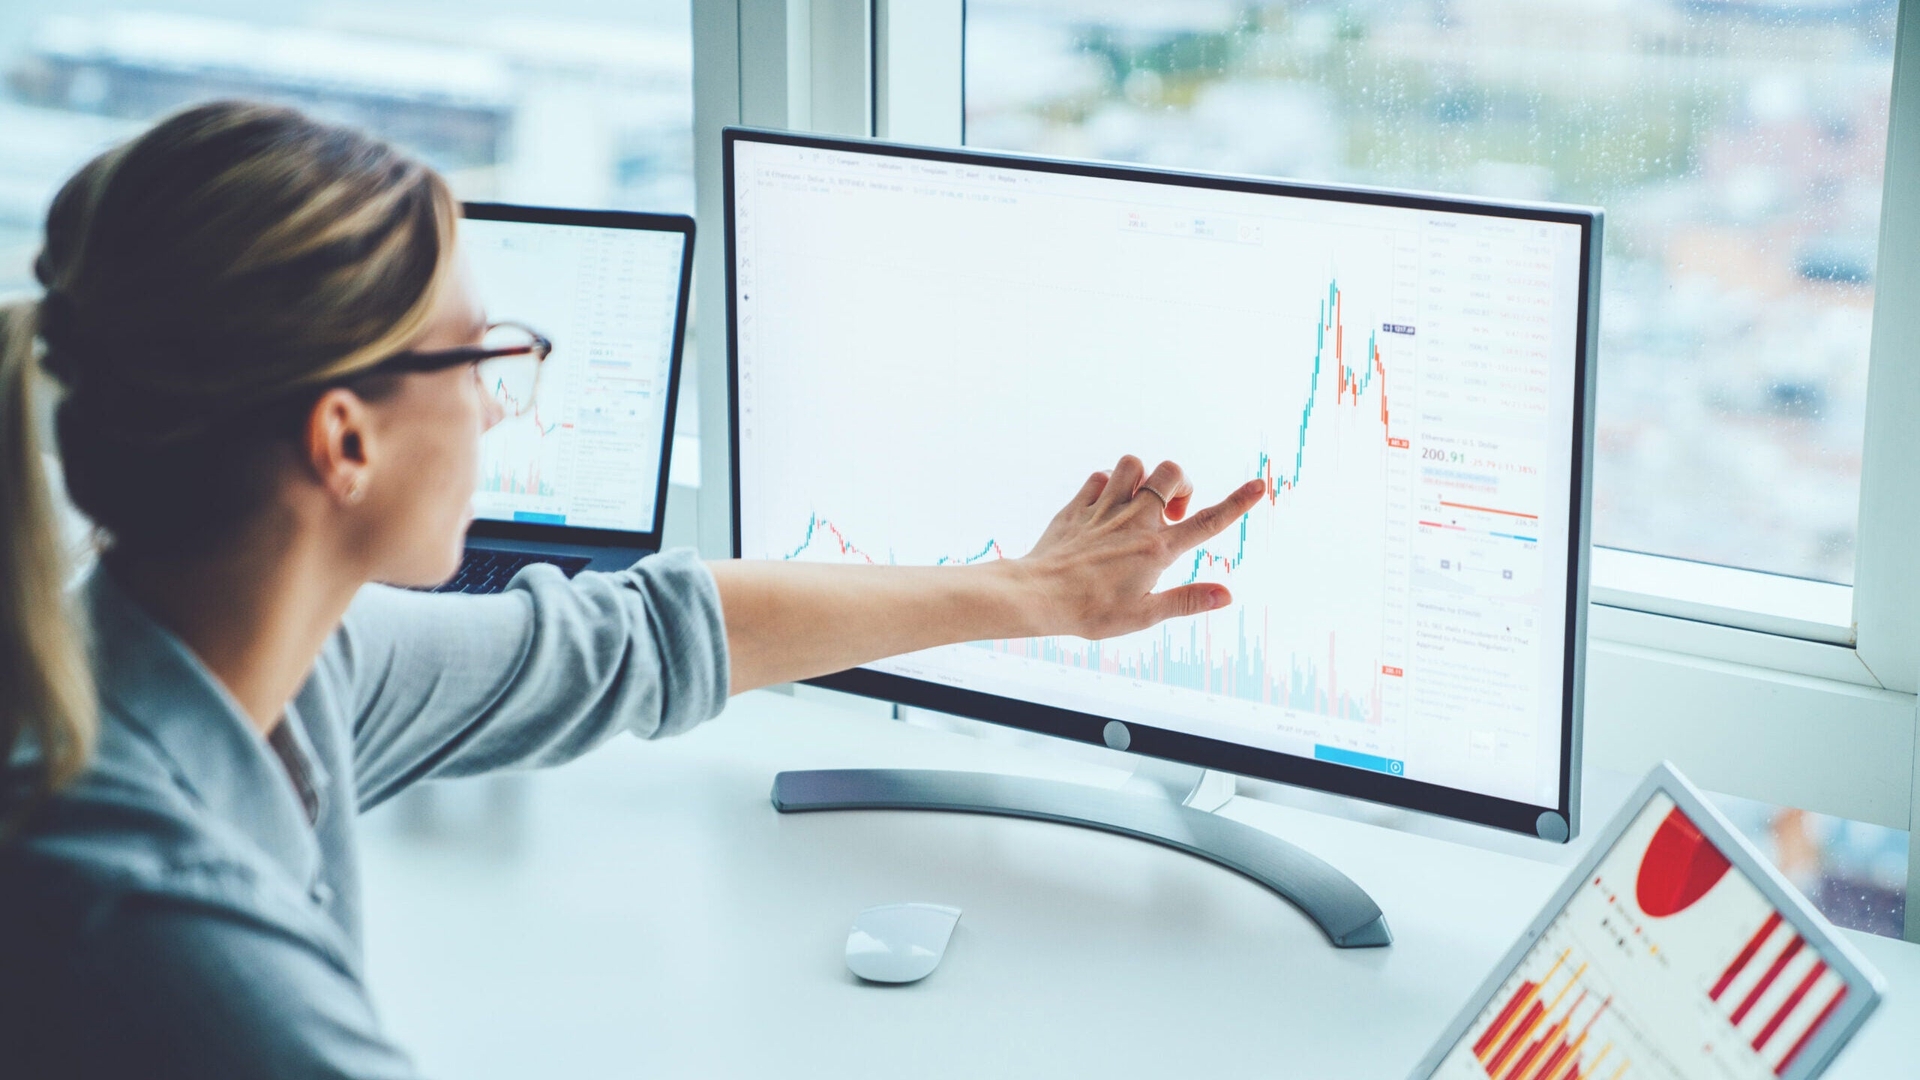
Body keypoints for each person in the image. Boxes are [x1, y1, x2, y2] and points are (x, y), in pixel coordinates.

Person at [0, 101, 1266, 1077]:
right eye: (484, 358)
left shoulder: (238, 658)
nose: (502, 401)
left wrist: (1034, 593)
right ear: (344, 443)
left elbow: (640, 640)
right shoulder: (158, 929)